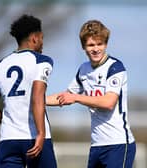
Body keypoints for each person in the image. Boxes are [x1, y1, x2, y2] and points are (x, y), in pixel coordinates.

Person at [46, 20, 136, 168]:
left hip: (118, 145)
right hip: (96, 146)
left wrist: (76, 97)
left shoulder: (115, 67)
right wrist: (36, 100)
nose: (96, 49)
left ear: (105, 44)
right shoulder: (84, 69)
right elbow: (65, 96)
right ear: (83, 47)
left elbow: (108, 102)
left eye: (99, 44)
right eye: (91, 45)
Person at [0, 14, 57, 168]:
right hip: (34, 137)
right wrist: (40, 134)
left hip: (8, 140)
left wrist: (8, 123)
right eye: (42, 38)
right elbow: (37, 98)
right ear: (34, 38)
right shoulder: (42, 61)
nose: (42, 43)